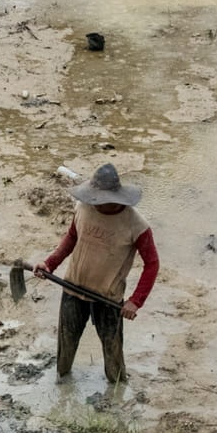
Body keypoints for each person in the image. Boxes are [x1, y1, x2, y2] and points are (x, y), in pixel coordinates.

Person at [34, 164, 159, 384]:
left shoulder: (136, 225)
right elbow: (71, 239)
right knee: (66, 346)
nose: (96, 202)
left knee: (113, 356)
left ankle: (117, 395)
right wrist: (49, 264)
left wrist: (135, 301)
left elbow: (152, 264)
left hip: (108, 299)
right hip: (73, 288)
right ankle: (63, 383)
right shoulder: (82, 208)